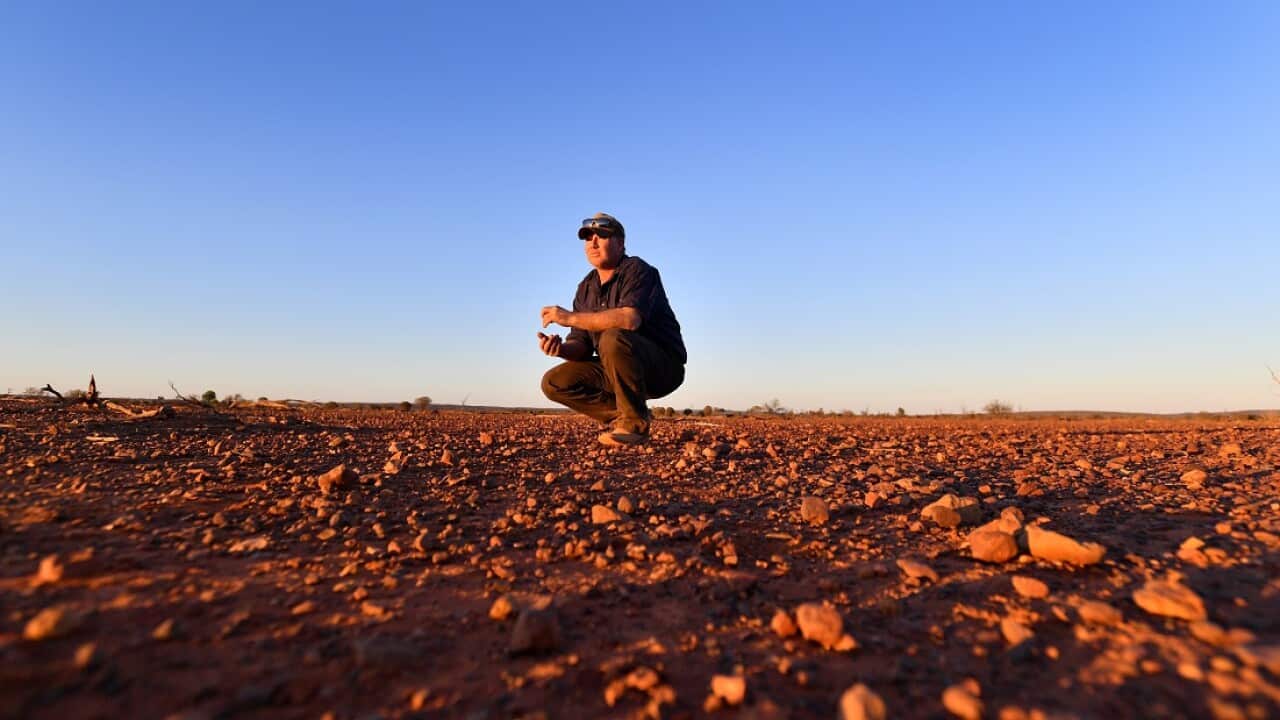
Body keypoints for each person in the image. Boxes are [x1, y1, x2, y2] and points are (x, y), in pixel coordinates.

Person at [539, 213, 686, 446]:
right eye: (588, 238)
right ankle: (627, 414)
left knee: (613, 336)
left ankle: (634, 425)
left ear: (620, 243)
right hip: (615, 367)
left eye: (602, 236)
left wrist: (569, 317)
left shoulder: (638, 270)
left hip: (662, 368)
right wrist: (561, 349)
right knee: (554, 382)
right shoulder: (585, 288)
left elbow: (629, 320)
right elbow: (582, 345)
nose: (593, 243)